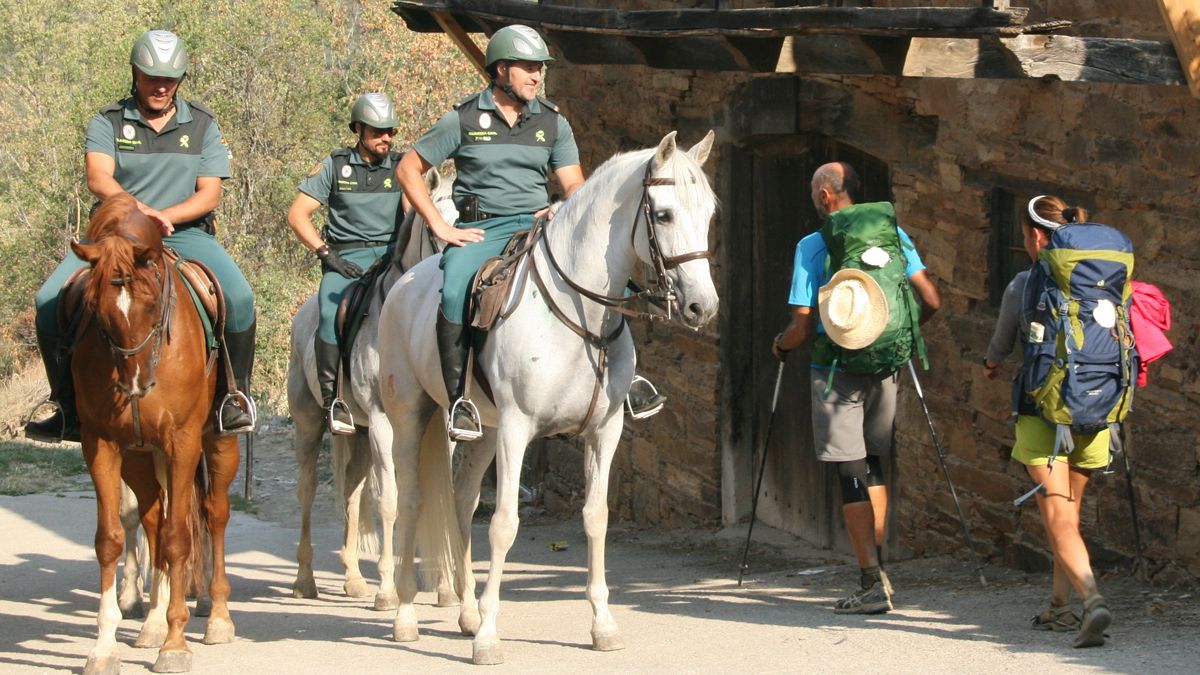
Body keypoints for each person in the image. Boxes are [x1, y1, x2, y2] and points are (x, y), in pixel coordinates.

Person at [396, 24, 664, 442]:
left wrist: (563, 209)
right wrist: (439, 225)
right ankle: (459, 402)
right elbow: (408, 169)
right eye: (528, 68)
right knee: (453, 292)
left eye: (540, 68)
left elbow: (576, 187)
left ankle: (626, 380)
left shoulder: (552, 123)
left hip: (535, 224)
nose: (538, 76)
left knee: (610, 281)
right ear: (501, 70)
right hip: (480, 230)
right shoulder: (462, 119)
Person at [26, 29, 256, 442]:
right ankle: (65, 404)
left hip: (183, 235)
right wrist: (140, 211)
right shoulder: (108, 121)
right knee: (48, 299)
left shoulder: (202, 124)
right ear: (135, 73)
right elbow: (98, 177)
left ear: (181, 80)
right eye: (152, 77)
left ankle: (232, 400)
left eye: (170, 79)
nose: (161, 86)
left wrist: (162, 217)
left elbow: (210, 193)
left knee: (240, 299)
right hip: (116, 236)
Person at [772, 162, 941, 614]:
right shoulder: (895, 237)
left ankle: (870, 580)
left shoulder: (813, 245)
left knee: (850, 471)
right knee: (873, 464)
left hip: (836, 368)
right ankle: (878, 565)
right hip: (886, 363)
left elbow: (802, 326)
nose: (814, 196)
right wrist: (902, 337)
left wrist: (780, 346)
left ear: (826, 195)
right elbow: (931, 299)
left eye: (814, 189)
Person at [983, 194, 1113, 647]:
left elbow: (1000, 344)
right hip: (1098, 411)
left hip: (1043, 410)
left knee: (1057, 514)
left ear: (1036, 236)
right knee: (1070, 513)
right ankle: (1060, 606)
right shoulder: (1105, 283)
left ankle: (1092, 600)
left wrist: (991, 363)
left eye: (1024, 236)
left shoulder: (1023, 285)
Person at [287, 93, 406, 435]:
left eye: (390, 131)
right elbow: (298, 214)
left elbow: (415, 214)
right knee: (329, 316)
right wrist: (327, 254)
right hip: (346, 259)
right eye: (377, 131)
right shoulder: (335, 165)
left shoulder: (400, 167)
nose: (386, 137)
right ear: (358, 129)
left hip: (390, 257)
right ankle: (333, 400)